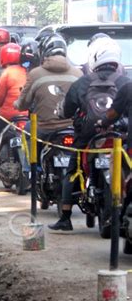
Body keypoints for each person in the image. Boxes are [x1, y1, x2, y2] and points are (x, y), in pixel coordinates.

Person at [49, 38, 129, 232]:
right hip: (118, 136)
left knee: (71, 168)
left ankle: (65, 217)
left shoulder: (83, 82)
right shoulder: (125, 82)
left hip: (87, 135)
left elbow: (68, 110)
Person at [15, 33, 82, 141]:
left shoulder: (35, 73)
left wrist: (17, 104)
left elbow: (23, 104)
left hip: (43, 129)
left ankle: (30, 159)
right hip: (71, 129)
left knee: (26, 132)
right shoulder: (78, 74)